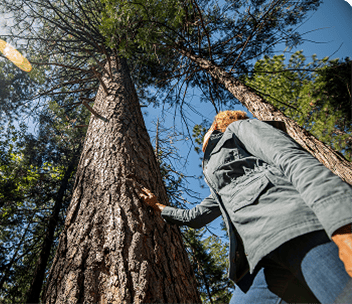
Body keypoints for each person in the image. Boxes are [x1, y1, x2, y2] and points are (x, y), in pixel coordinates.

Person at [138, 111, 352, 303]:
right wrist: (158, 206)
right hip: (260, 261)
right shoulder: (221, 185)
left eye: (206, 131)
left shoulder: (239, 128)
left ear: (215, 127)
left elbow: (291, 158)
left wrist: (343, 225)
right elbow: (196, 216)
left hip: (299, 228)